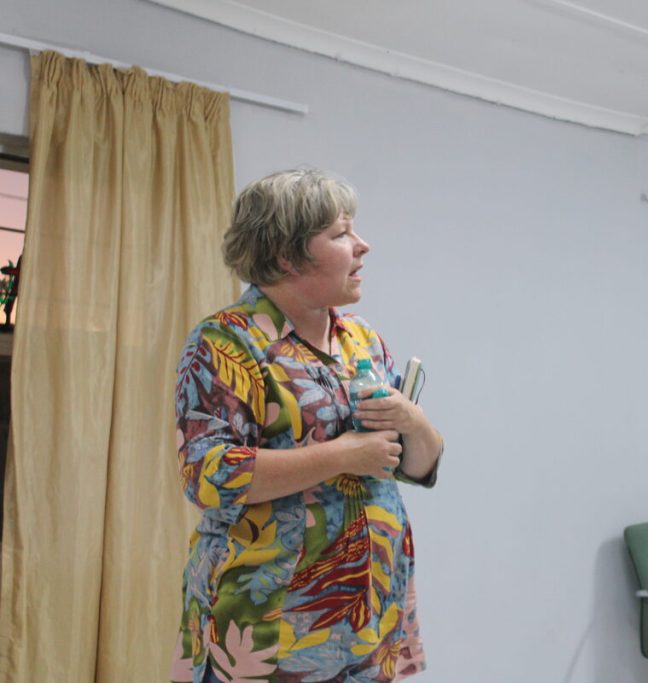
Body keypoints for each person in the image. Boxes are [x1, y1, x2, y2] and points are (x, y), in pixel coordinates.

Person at [170, 169, 443, 683]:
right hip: (269, 626)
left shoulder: (364, 341)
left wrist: (414, 421)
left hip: (369, 611)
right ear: (285, 256)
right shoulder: (227, 342)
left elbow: (414, 466)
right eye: (340, 233)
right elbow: (209, 475)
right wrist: (343, 456)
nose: (363, 246)